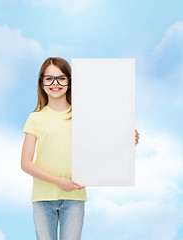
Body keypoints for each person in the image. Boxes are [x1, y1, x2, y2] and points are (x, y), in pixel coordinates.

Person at [21, 57, 140, 240]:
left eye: (61, 78)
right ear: (41, 83)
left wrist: (126, 141)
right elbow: (26, 163)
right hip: (43, 197)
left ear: (69, 81)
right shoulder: (36, 118)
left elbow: (101, 145)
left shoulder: (84, 116)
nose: (55, 83)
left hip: (75, 196)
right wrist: (58, 181)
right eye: (49, 78)